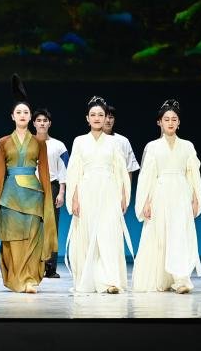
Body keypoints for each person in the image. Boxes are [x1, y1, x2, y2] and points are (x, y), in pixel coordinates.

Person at [0, 75, 57, 293]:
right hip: (10, 196)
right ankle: (16, 279)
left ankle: (30, 279)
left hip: (33, 195)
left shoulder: (39, 142)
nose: (23, 115)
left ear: (30, 117)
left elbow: (44, 173)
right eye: (19, 112)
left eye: (26, 112)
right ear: (12, 116)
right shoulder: (4, 142)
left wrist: (47, 198)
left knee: (33, 237)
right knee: (12, 239)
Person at [132, 99, 201, 294]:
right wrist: (146, 201)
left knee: (180, 234)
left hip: (181, 192)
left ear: (179, 122)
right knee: (159, 234)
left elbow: (193, 174)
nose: (170, 122)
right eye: (166, 119)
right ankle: (162, 278)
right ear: (159, 122)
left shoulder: (187, 146)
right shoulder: (153, 146)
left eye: (174, 119)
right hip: (160, 193)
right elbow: (147, 176)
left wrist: (196, 197)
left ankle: (180, 280)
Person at [65, 96, 132, 294]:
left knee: (108, 234)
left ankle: (110, 280)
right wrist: (74, 199)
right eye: (93, 115)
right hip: (86, 191)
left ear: (106, 118)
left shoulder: (114, 142)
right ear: (87, 118)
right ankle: (89, 280)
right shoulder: (79, 141)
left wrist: (123, 196)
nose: (97, 118)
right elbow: (74, 172)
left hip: (108, 191)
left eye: (100, 115)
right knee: (87, 234)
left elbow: (120, 171)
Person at [32, 108, 68, 278]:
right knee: (32, 227)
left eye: (45, 120)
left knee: (51, 227)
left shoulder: (58, 145)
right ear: (34, 123)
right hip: (31, 188)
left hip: (52, 187)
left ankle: (50, 267)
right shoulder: (27, 143)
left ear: (49, 123)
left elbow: (63, 170)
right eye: (39, 120)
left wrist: (61, 192)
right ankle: (33, 265)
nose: (42, 123)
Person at [104, 104, 140, 176]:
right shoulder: (91, 141)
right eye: (105, 117)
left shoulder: (123, 141)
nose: (108, 120)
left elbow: (129, 169)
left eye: (111, 117)